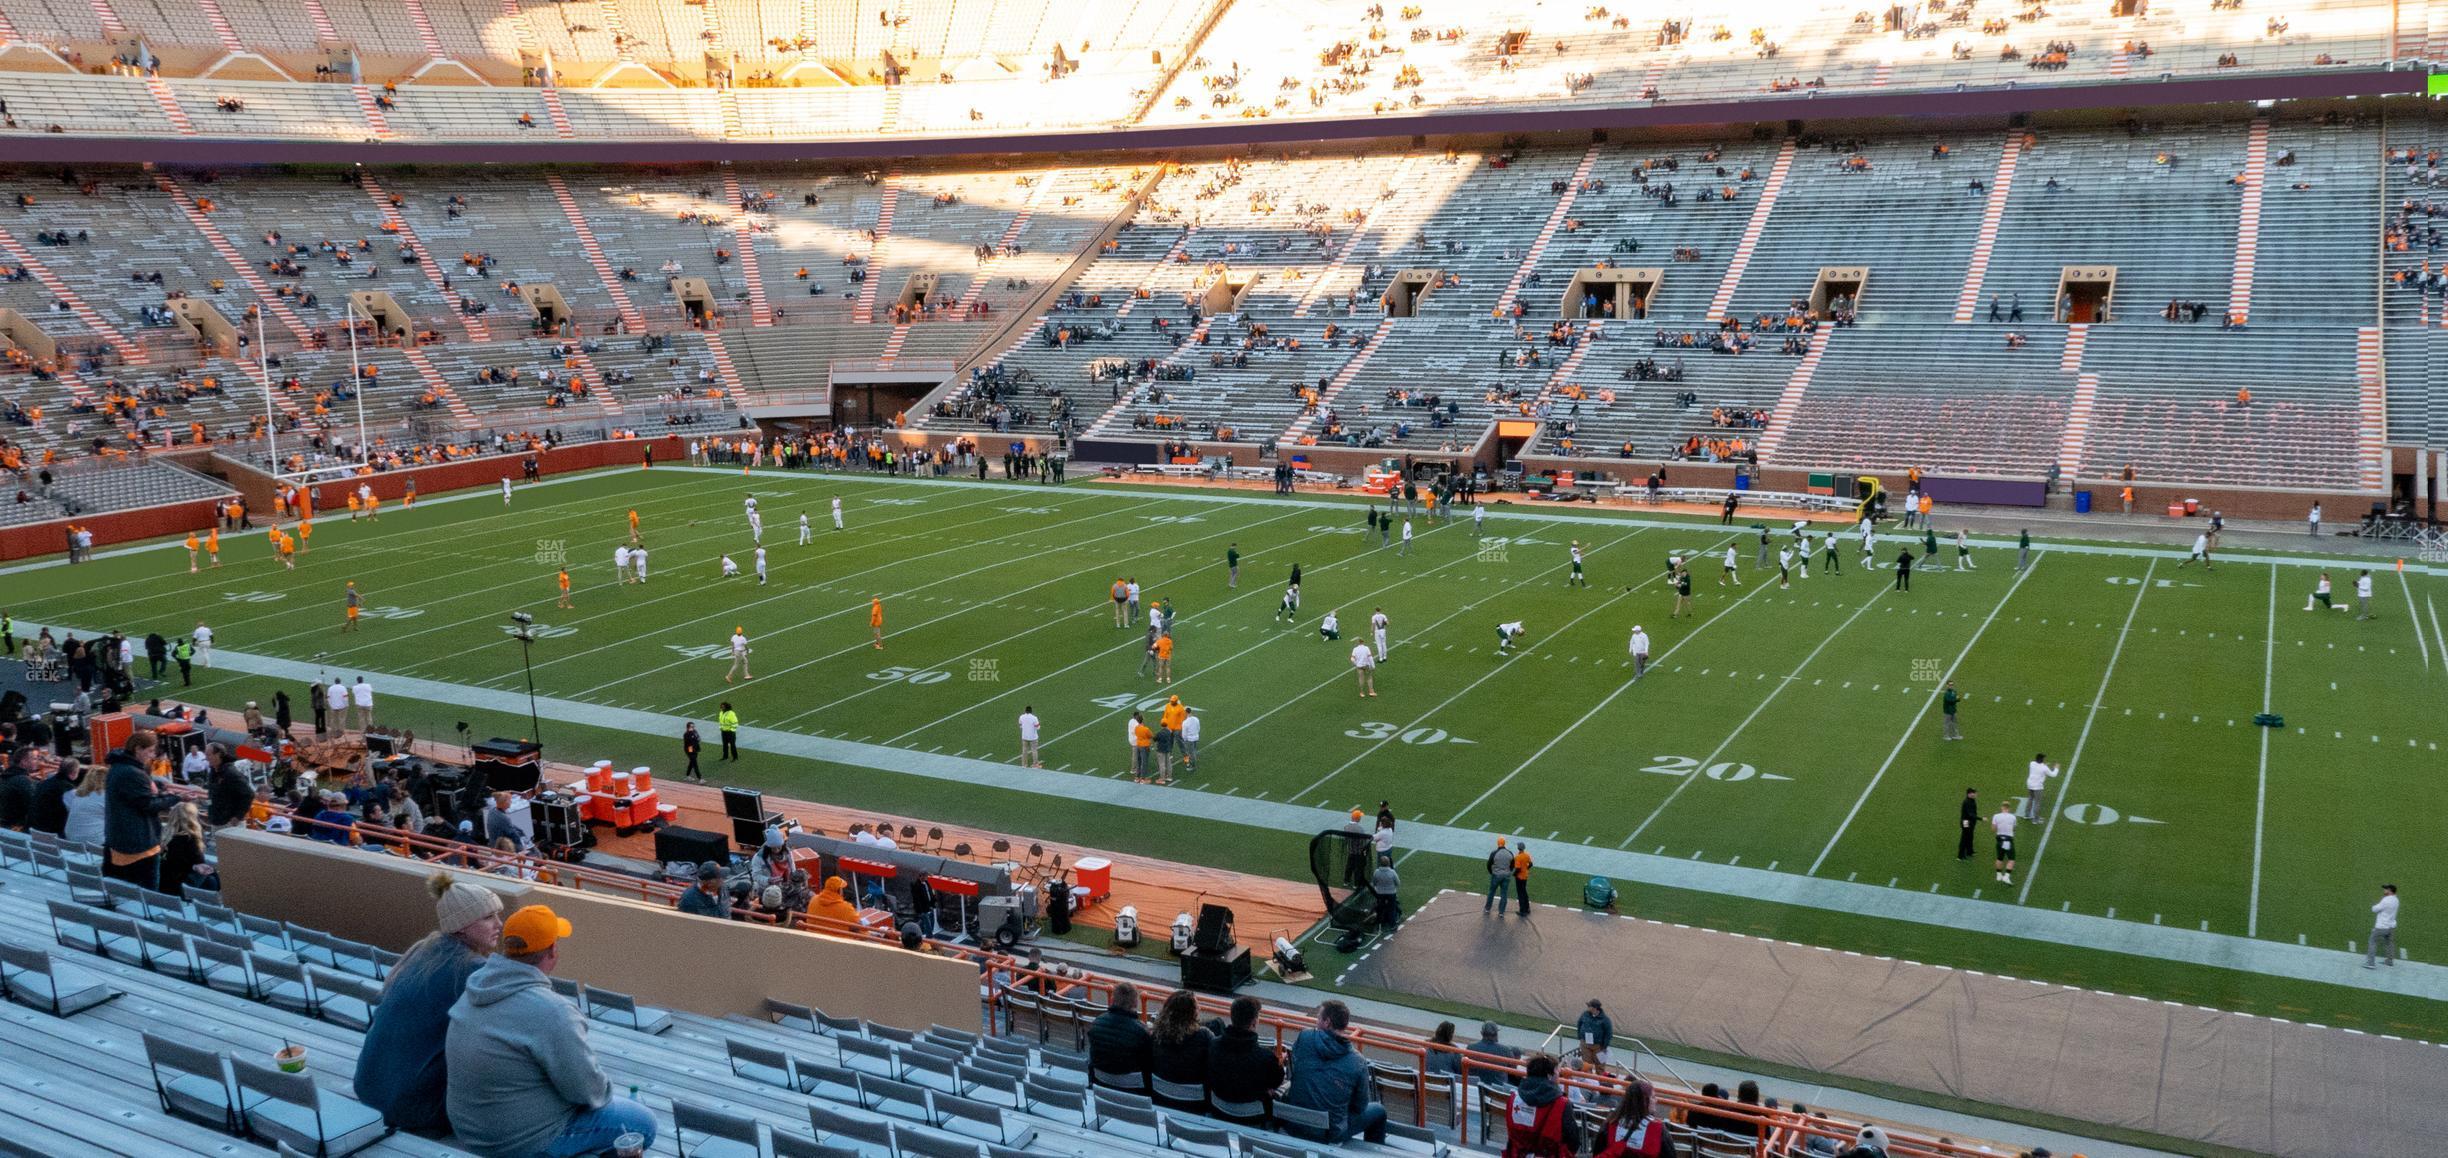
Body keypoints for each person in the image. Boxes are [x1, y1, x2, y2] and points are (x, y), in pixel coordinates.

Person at [445, 905, 657, 1158]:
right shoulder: (553, 1012)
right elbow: (590, 1092)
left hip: (471, 1131)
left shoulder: (475, 989)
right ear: (553, 950)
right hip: (516, 1144)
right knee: (640, 1122)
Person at [353, 873, 503, 1132]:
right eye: (488, 917)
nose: (499, 924)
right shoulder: (473, 970)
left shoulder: (423, 951)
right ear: (462, 925)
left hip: (367, 1088)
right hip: (415, 1109)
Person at [1281, 1001, 1386, 1144]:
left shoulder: (1305, 1037)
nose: (1316, 1022)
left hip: (1293, 1123)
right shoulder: (1357, 1061)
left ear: (1327, 1022)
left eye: (1318, 1018)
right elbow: (1360, 1106)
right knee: (1379, 1111)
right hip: (1326, 1134)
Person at [104, 731, 176, 887]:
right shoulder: (132, 773)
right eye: (149, 751)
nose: (152, 755)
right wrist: (175, 798)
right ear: (137, 749)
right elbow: (148, 805)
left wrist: (160, 792)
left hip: (122, 840)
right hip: (138, 845)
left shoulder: (118, 767)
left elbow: (136, 797)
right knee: (146, 893)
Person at [1206, 995, 1284, 1111]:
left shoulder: (1213, 1045)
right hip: (1253, 1119)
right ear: (1254, 1022)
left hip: (1218, 1111)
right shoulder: (1266, 1058)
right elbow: (1277, 1081)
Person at [1498, 1053, 1581, 1157]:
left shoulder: (1513, 1098)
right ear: (1550, 1075)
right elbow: (1573, 1141)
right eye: (1557, 1071)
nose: (1559, 1074)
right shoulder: (1561, 1104)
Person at [1148, 989, 1213, 1105]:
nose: (1200, 1009)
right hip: (1195, 1104)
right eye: (1197, 1007)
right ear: (1191, 1013)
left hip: (1161, 1097)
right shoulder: (1204, 1036)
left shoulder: (1156, 1034)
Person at [1088, 982, 1153, 1087]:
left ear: (1113, 999)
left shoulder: (1097, 1023)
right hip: (1132, 1090)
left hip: (1100, 1085)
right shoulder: (1141, 1032)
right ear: (1135, 1003)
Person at [1593, 1077, 1668, 1157]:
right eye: (1653, 1097)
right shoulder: (1658, 1129)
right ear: (1644, 1101)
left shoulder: (1611, 1122)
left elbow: (1597, 1152)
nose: (1656, 1100)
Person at [158, 801, 214, 893]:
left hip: (163, 883)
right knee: (212, 880)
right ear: (193, 817)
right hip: (180, 887)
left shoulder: (164, 834)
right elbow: (200, 863)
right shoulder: (190, 839)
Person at [2366, 884, 2400, 968]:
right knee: (2389, 943)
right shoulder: (2396, 900)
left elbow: (2375, 909)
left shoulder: (2386, 900)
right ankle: (2389, 961)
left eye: (2386, 889)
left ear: (2390, 891)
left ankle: (2371, 963)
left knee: (2372, 941)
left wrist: (2374, 906)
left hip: (2382, 926)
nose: (2384, 890)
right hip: (2391, 926)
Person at [1574, 999, 1613, 1068]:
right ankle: (1588, 1077)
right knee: (1586, 1064)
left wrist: (1604, 1046)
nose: (1587, 1007)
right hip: (1585, 1043)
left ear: (1594, 1008)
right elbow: (1579, 1024)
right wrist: (1580, 1036)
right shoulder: (1584, 1014)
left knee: (1600, 1065)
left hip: (1598, 1046)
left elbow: (1608, 1034)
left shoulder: (1605, 1020)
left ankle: (1599, 1078)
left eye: (1589, 1006)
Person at [2020, 754, 2059, 822]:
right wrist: (2056, 768)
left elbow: (2037, 767)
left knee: (2030, 799)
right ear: (2042, 760)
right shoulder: (2044, 768)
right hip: (2037, 786)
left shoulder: (2032, 763)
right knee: (2037, 803)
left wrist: (2044, 765)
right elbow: (2053, 775)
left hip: (2030, 784)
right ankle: (2036, 819)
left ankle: (2027, 815)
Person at [1369, 854, 1401, 929]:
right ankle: (1392, 924)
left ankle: (1380, 924)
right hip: (1391, 893)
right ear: (1388, 863)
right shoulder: (1392, 872)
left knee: (1380, 908)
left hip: (1380, 893)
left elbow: (1374, 882)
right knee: (1392, 908)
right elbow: (1398, 883)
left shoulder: (1377, 872)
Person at [1991, 800, 2018, 884]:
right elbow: (2014, 828)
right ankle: (2006, 876)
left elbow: (1993, 829)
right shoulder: (2013, 817)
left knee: (1999, 858)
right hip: (2008, 840)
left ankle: (1998, 875)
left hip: (1999, 839)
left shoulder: (1996, 816)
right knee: (2011, 859)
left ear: (2002, 807)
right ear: (2009, 808)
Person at [1483, 837, 1512, 913]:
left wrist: (1491, 872)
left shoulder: (1494, 853)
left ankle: (1487, 908)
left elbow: (1489, 864)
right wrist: (1508, 871)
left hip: (1496, 875)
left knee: (1491, 892)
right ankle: (1501, 912)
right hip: (1506, 876)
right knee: (1504, 894)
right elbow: (1512, 865)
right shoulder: (1510, 853)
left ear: (1497, 843)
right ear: (1504, 843)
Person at [1511, 842, 1534, 916]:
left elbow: (1518, 868)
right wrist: (1526, 869)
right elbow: (1530, 864)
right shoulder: (1527, 855)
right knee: (1524, 892)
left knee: (1520, 894)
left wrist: (1514, 874)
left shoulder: (1517, 857)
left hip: (1519, 877)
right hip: (1525, 876)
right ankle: (1527, 908)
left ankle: (1522, 910)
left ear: (1518, 848)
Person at [1957, 787, 1980, 860]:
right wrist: (1981, 818)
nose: (1976, 794)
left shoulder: (1972, 800)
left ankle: (1969, 852)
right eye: (1974, 793)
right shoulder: (1967, 802)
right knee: (1964, 838)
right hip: (1966, 822)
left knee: (1970, 837)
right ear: (1969, 794)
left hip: (1970, 822)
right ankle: (1960, 856)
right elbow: (1971, 814)